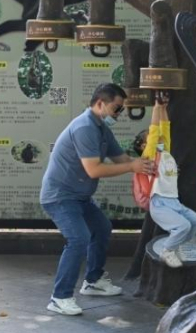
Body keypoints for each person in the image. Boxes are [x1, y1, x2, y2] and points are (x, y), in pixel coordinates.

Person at [41, 83, 155, 316]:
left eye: (121, 110)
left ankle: (93, 281)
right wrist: (132, 166)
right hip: (60, 197)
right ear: (100, 103)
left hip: (80, 197)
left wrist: (145, 164)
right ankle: (59, 297)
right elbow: (94, 170)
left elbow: (121, 158)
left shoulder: (101, 128)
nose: (118, 115)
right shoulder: (84, 127)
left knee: (102, 228)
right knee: (79, 238)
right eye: (116, 109)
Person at [133, 92, 196, 268]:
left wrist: (163, 107)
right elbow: (156, 129)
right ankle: (167, 251)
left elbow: (164, 127)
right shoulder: (149, 156)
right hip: (159, 204)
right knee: (183, 227)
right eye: (149, 136)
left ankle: (175, 247)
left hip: (174, 202)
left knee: (195, 222)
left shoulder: (165, 153)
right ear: (143, 146)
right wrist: (156, 107)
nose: (155, 135)